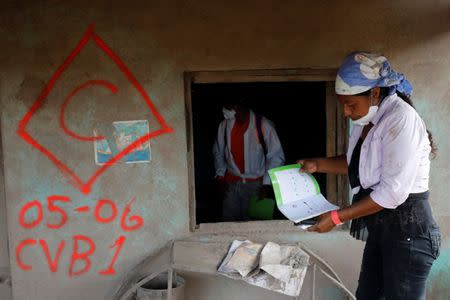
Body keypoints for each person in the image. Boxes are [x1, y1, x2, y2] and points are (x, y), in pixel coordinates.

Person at [299, 52, 440, 299]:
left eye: (351, 104)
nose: (345, 112)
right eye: (343, 104)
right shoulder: (367, 121)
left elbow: (392, 192)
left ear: (374, 93)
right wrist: (317, 165)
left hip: (410, 234)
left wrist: (336, 217)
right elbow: (359, 165)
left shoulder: (400, 119)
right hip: (383, 231)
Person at [213, 98, 285, 221]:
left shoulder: (263, 125)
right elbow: (218, 152)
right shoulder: (224, 125)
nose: (226, 110)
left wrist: (267, 185)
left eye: (229, 107)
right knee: (229, 225)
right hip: (231, 184)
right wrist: (220, 177)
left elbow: (276, 156)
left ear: (239, 106)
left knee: (257, 227)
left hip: (258, 186)